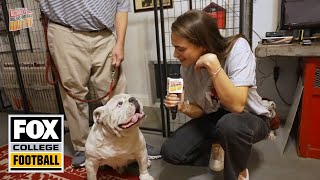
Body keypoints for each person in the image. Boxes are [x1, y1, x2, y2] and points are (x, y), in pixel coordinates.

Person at [38, 0, 161, 168]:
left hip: (105, 34)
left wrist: (120, 43)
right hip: (65, 32)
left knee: (117, 92)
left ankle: (135, 142)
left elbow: (121, 7)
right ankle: (82, 148)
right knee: (74, 95)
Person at [161, 10, 276, 180]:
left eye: (180, 49)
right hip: (217, 116)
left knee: (230, 124)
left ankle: (237, 171)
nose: (175, 54)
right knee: (171, 152)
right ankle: (225, 148)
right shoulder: (186, 68)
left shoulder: (238, 48)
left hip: (249, 116)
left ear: (202, 44)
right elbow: (201, 110)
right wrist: (182, 106)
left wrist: (213, 64)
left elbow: (237, 105)